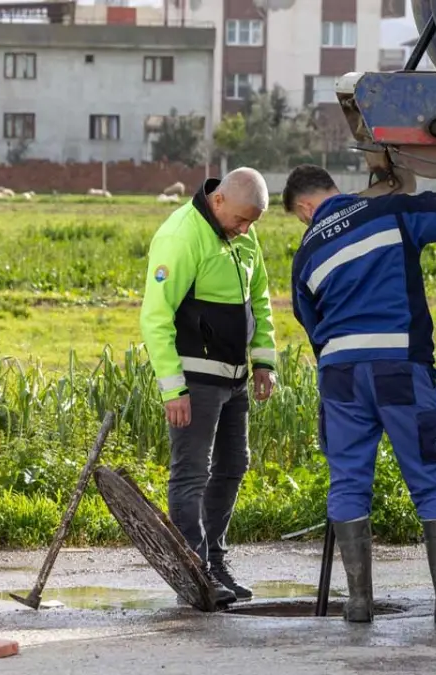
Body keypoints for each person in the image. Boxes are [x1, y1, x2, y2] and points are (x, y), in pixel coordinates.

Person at [282, 122, 436, 623]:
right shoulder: (388, 214)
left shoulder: (306, 253)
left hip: (339, 376)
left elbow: (310, 325)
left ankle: (358, 604)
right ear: (330, 190)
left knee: (349, 481)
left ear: (305, 209)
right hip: (398, 369)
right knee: (427, 475)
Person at [139, 167, 279, 606]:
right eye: (241, 220)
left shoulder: (242, 232)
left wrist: (263, 360)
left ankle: (214, 563)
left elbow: (259, 298)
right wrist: (171, 389)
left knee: (234, 465)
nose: (246, 230)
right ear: (218, 201)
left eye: (253, 222)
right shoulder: (181, 235)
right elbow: (155, 317)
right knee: (191, 474)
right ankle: (194, 576)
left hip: (236, 376)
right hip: (195, 379)